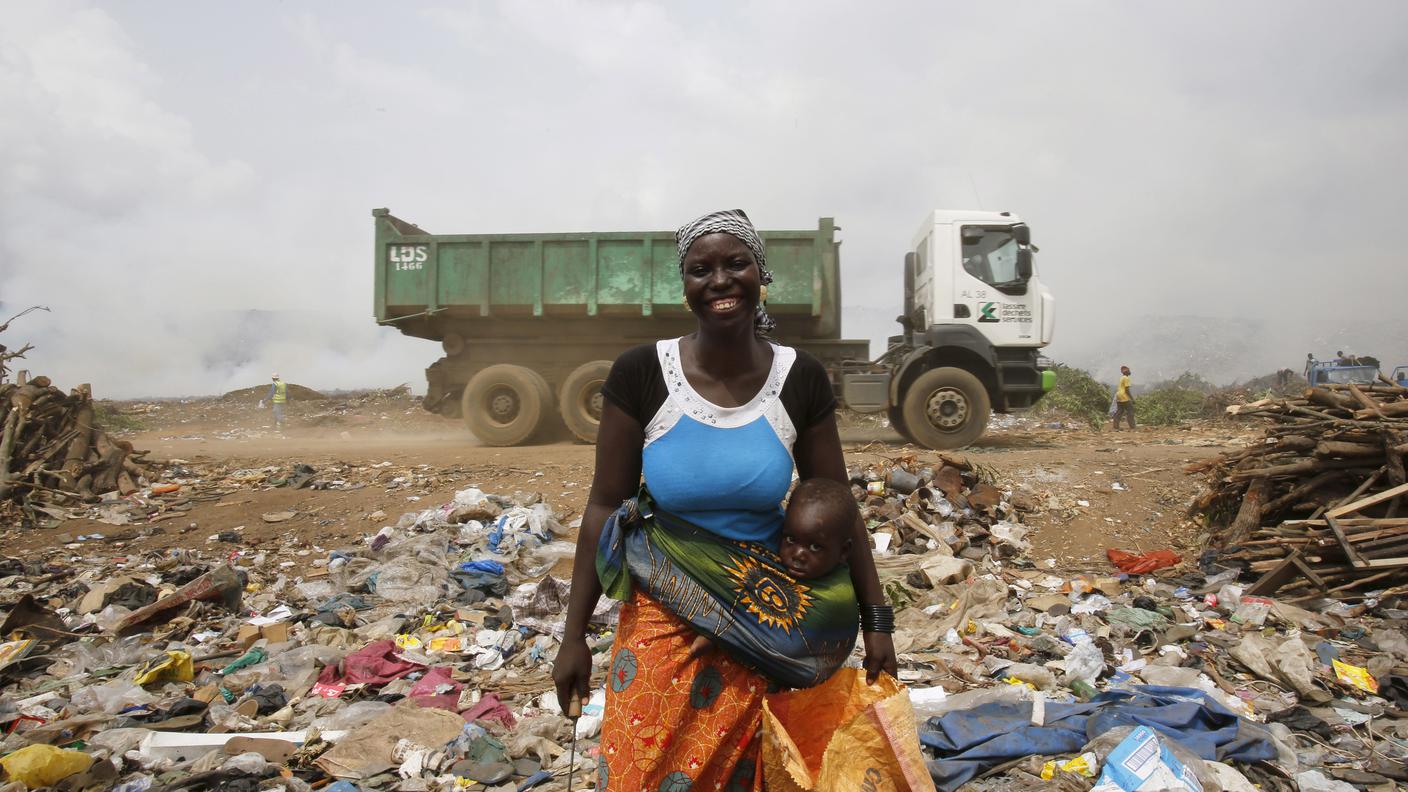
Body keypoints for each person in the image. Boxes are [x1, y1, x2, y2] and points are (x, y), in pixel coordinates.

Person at [553, 209, 897, 791]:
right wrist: (573, 637)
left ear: (760, 275)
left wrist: (875, 621)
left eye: (736, 264)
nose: (719, 280)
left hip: (765, 617)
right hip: (662, 607)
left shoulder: (798, 379)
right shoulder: (642, 374)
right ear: (684, 284)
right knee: (638, 770)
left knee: (755, 776)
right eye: (700, 269)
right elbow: (603, 508)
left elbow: (838, 506)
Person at [1112, 365, 1135, 431]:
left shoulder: (1122, 378)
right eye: (1129, 370)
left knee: (1120, 411)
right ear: (1126, 372)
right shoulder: (1126, 378)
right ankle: (1132, 426)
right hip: (1124, 396)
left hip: (1118, 395)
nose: (1130, 372)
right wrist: (1132, 399)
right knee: (1130, 411)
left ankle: (1115, 426)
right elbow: (1127, 390)